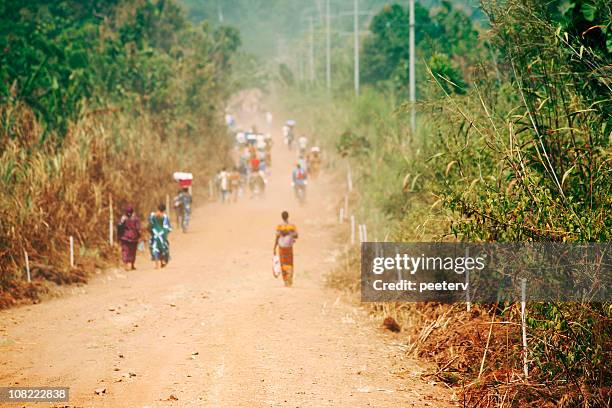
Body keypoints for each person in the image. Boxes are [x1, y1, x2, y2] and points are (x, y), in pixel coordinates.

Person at [273, 211, 299, 287]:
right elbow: (296, 235)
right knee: (290, 262)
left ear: (282, 217)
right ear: (288, 216)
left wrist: (274, 247)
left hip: (281, 247)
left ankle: (285, 280)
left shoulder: (279, 226)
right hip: (289, 247)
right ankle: (290, 278)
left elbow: (277, 237)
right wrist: (290, 234)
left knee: (283, 263)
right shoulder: (292, 226)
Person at [117, 205, 141, 271]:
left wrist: (119, 236)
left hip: (124, 237)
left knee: (125, 251)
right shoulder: (136, 218)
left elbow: (119, 227)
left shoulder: (123, 218)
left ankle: (126, 264)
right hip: (134, 237)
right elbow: (138, 228)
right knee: (132, 251)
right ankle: (131, 264)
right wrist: (139, 235)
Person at [148, 203, 171, 269]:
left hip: (154, 234)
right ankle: (163, 261)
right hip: (162, 234)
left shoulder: (152, 215)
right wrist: (166, 233)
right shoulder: (165, 216)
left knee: (155, 248)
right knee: (163, 247)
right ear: (164, 209)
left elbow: (150, 224)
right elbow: (167, 227)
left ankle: (156, 264)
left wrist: (151, 231)